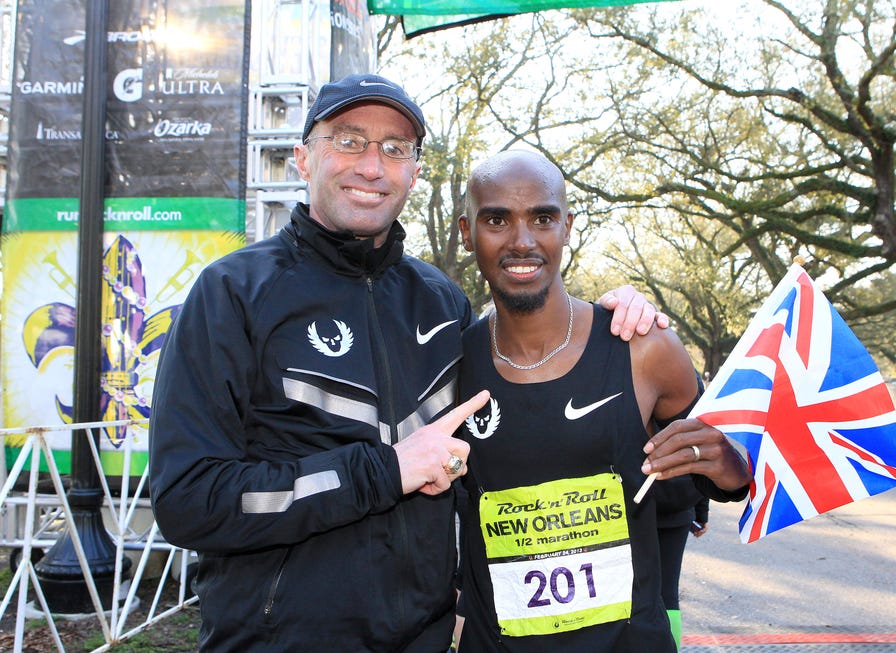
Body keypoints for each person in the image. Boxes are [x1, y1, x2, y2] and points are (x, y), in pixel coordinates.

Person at [148, 74, 665, 652]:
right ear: (302, 157)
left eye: (395, 149)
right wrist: (383, 472)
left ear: (414, 173)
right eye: (349, 141)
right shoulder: (231, 293)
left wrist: (613, 320)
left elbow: (510, 444)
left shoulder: (440, 300)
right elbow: (188, 501)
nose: (372, 166)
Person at [453, 149, 751, 652]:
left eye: (542, 218)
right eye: (497, 220)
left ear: (567, 226)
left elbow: (731, 474)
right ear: (467, 232)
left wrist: (727, 463)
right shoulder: (449, 363)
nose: (522, 241)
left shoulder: (645, 348)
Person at [655, 478, 709, 651]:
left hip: (638, 508)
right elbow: (702, 466)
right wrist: (701, 514)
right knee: (668, 594)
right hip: (681, 505)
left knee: (634, 590)